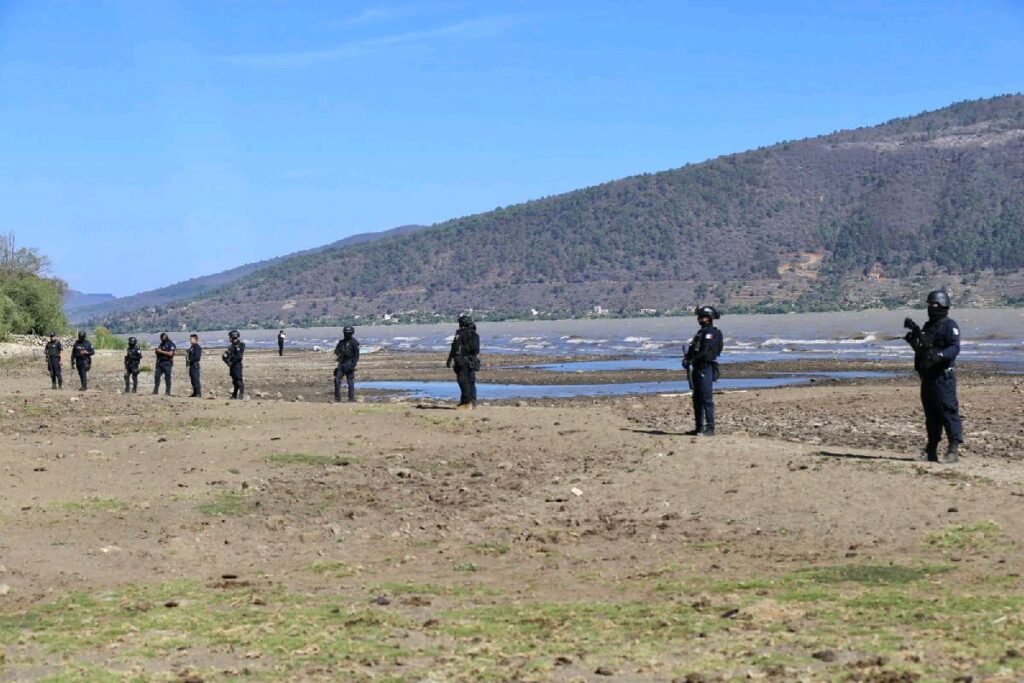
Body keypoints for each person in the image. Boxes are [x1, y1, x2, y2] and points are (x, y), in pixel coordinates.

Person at [904, 290, 963, 463]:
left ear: (943, 305)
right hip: (928, 377)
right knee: (931, 415)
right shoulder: (928, 326)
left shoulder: (949, 325)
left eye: (935, 304)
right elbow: (923, 350)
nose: (931, 307)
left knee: (948, 411)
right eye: (929, 304)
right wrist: (914, 341)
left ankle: (953, 450)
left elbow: (954, 348)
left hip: (943, 377)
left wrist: (941, 356)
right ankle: (931, 450)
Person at [683, 305, 724, 436]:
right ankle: (699, 427)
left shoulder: (711, 333)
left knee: (706, 399)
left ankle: (710, 428)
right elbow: (694, 349)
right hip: (697, 367)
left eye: (702, 316)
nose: (699, 319)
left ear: (709, 318)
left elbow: (705, 351)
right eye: (699, 316)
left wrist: (691, 360)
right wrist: (687, 359)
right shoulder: (701, 332)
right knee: (697, 399)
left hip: (705, 368)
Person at [447, 314, 480, 410]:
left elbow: (455, 347)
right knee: (471, 381)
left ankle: (466, 403)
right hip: (472, 360)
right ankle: (472, 402)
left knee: (463, 381)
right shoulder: (475, 334)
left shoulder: (461, 334)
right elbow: (477, 350)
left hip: (462, 361)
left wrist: (450, 359)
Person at [333, 326, 360, 402]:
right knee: (337, 380)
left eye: (348, 333)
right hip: (341, 363)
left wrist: (353, 365)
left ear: (351, 334)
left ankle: (351, 398)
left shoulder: (354, 343)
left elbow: (356, 355)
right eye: (346, 333)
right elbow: (337, 351)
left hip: (349, 363)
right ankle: (337, 398)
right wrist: (338, 353)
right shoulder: (341, 342)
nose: (347, 335)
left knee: (350, 381)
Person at [222, 329, 245, 399]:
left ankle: (241, 395)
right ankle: (234, 395)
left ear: (233, 337)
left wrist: (231, 362)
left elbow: (239, 357)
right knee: (234, 381)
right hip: (232, 366)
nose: (229, 339)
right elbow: (226, 355)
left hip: (237, 365)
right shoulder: (232, 346)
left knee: (239, 380)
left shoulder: (240, 344)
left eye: (230, 337)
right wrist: (227, 361)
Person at [187, 334, 202, 398]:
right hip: (191, 365)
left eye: (191, 339)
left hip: (195, 365)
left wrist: (190, 360)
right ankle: (195, 392)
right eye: (190, 339)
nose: (190, 340)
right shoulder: (192, 347)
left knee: (196, 379)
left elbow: (197, 357)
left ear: (196, 340)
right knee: (192, 379)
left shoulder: (197, 347)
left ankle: (198, 393)